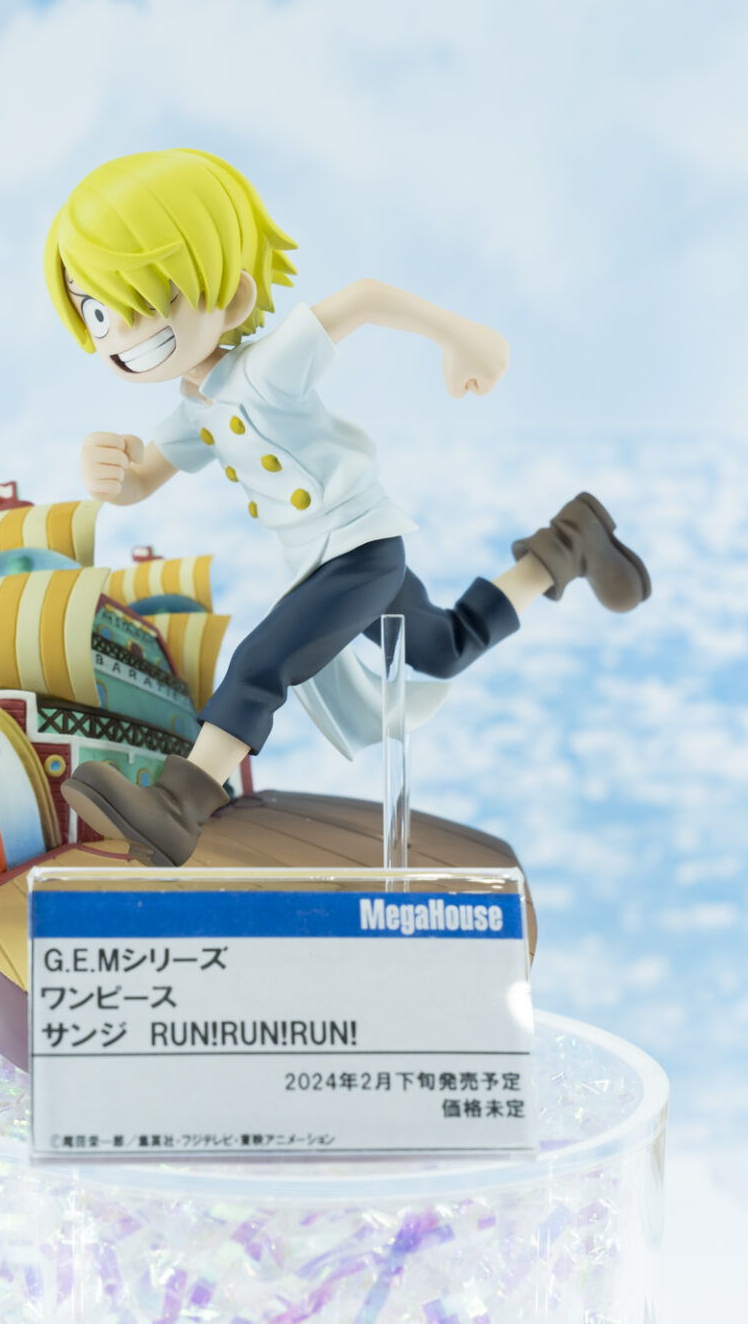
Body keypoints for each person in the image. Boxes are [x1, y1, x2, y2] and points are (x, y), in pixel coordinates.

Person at [44, 148, 650, 866]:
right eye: (97, 313)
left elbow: (363, 299)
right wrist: (111, 473)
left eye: (144, 311)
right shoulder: (195, 409)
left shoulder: (269, 368)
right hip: (323, 559)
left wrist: (464, 338)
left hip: (360, 548)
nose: (118, 339)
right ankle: (567, 547)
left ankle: (181, 803)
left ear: (231, 300)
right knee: (442, 647)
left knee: (262, 661)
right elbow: (145, 477)